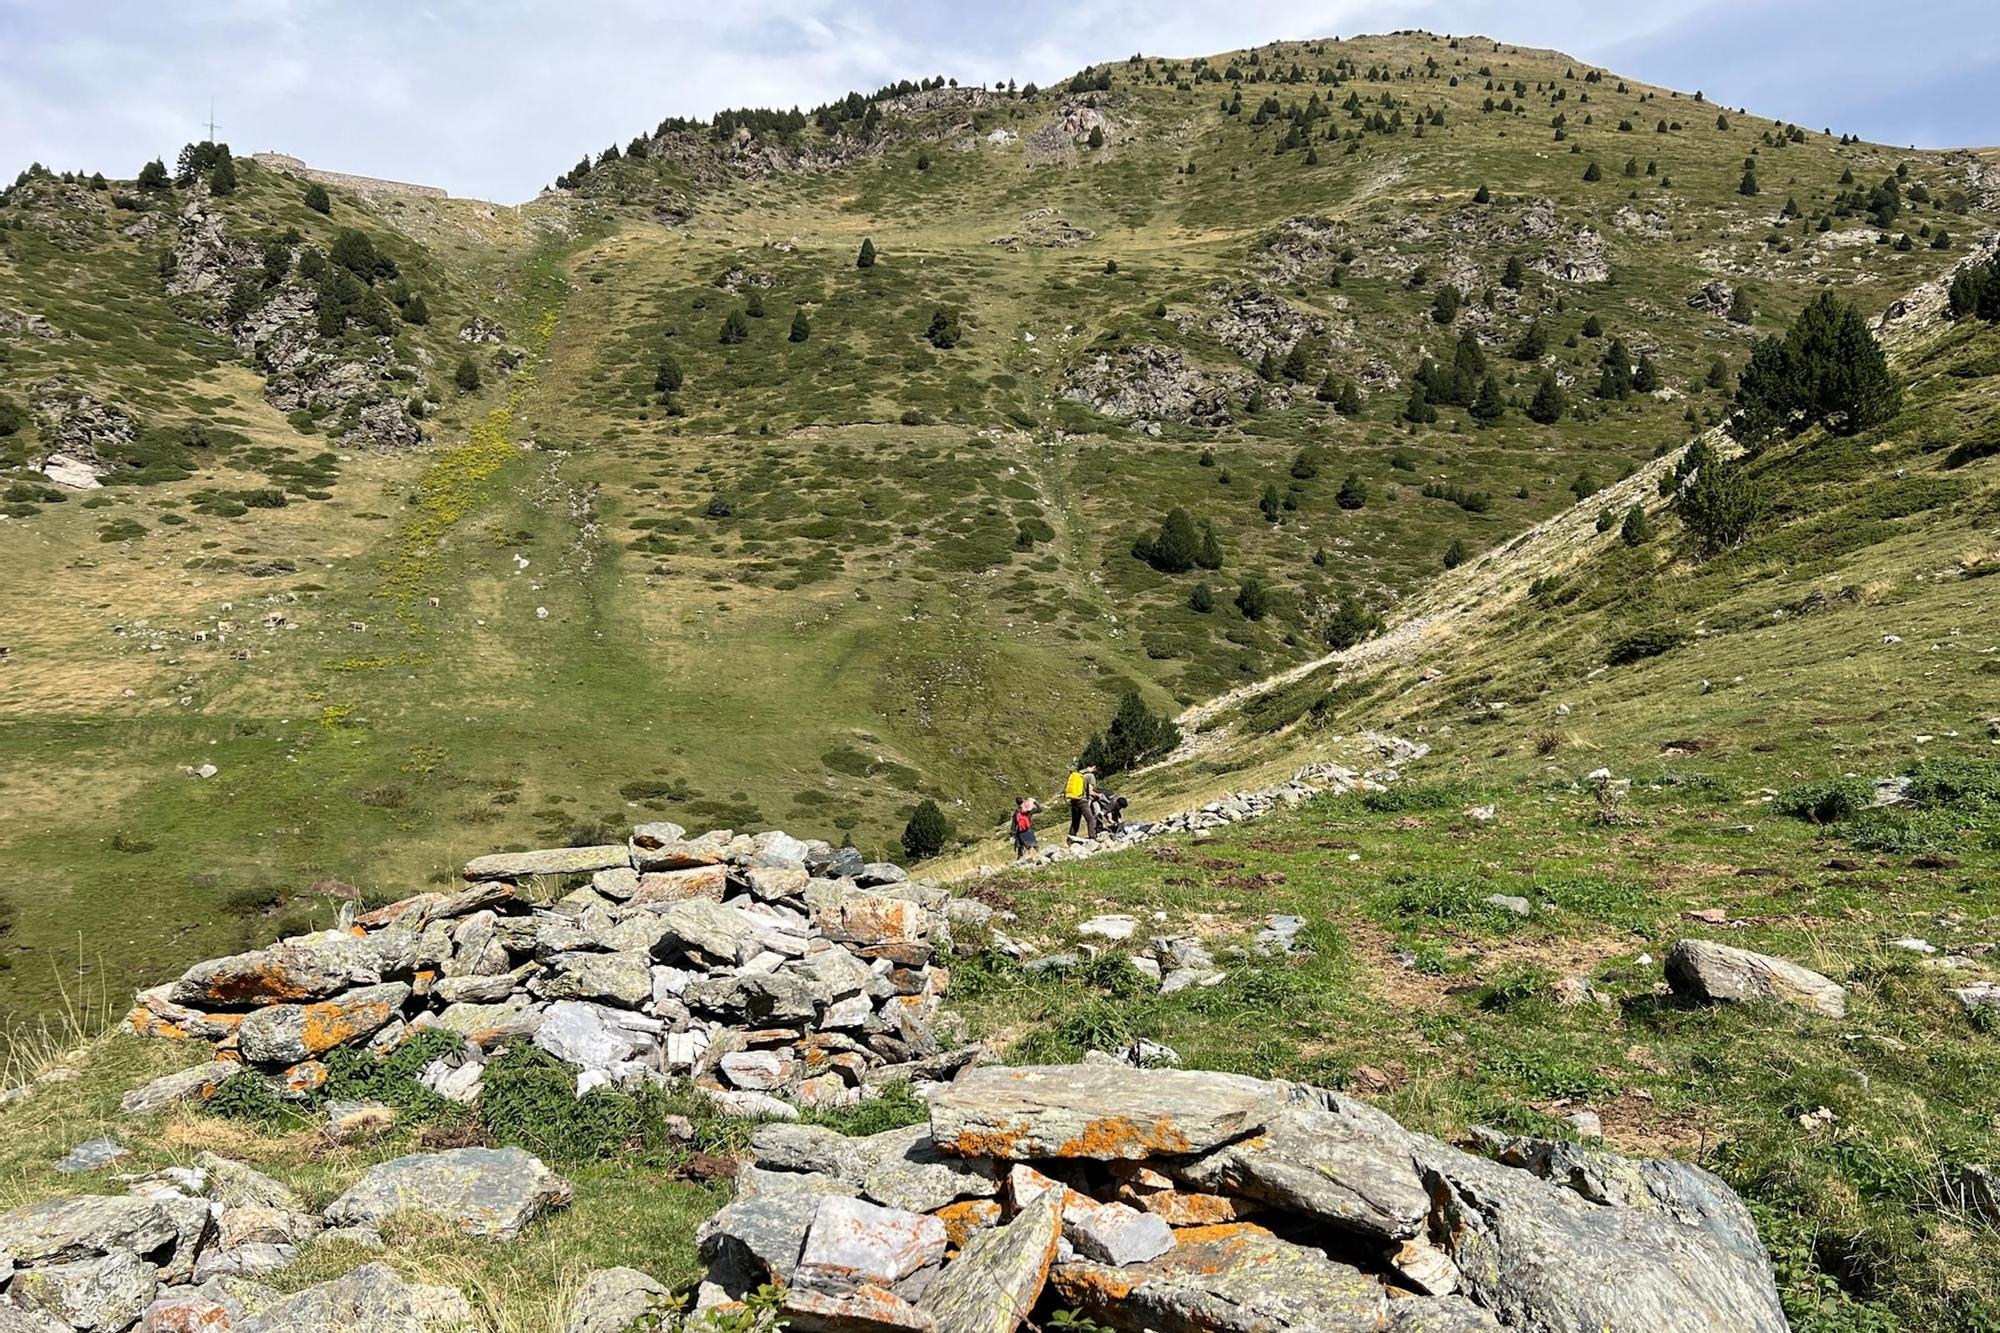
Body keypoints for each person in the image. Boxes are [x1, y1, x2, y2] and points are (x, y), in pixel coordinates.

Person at [1065, 764, 1097, 838]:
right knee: (1091, 819)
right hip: (1082, 800)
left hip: (1073, 799)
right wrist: (1099, 795)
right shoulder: (1090, 776)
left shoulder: (1078, 774)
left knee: (1075, 821)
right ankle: (1092, 837)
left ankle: (1070, 839)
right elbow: (1090, 791)